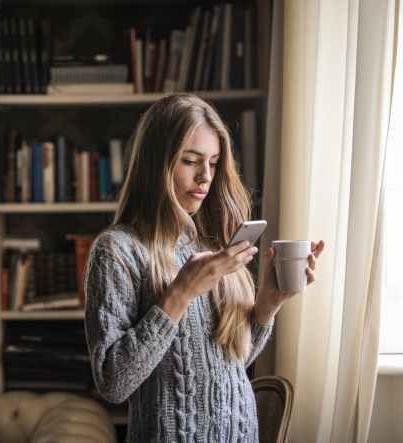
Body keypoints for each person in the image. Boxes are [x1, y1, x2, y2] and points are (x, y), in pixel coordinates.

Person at [83, 94, 325, 443]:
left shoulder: (208, 244)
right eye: (191, 161)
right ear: (157, 165)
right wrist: (181, 293)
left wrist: (267, 306)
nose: (205, 177)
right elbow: (114, 382)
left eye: (213, 162)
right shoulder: (117, 251)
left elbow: (228, 365)